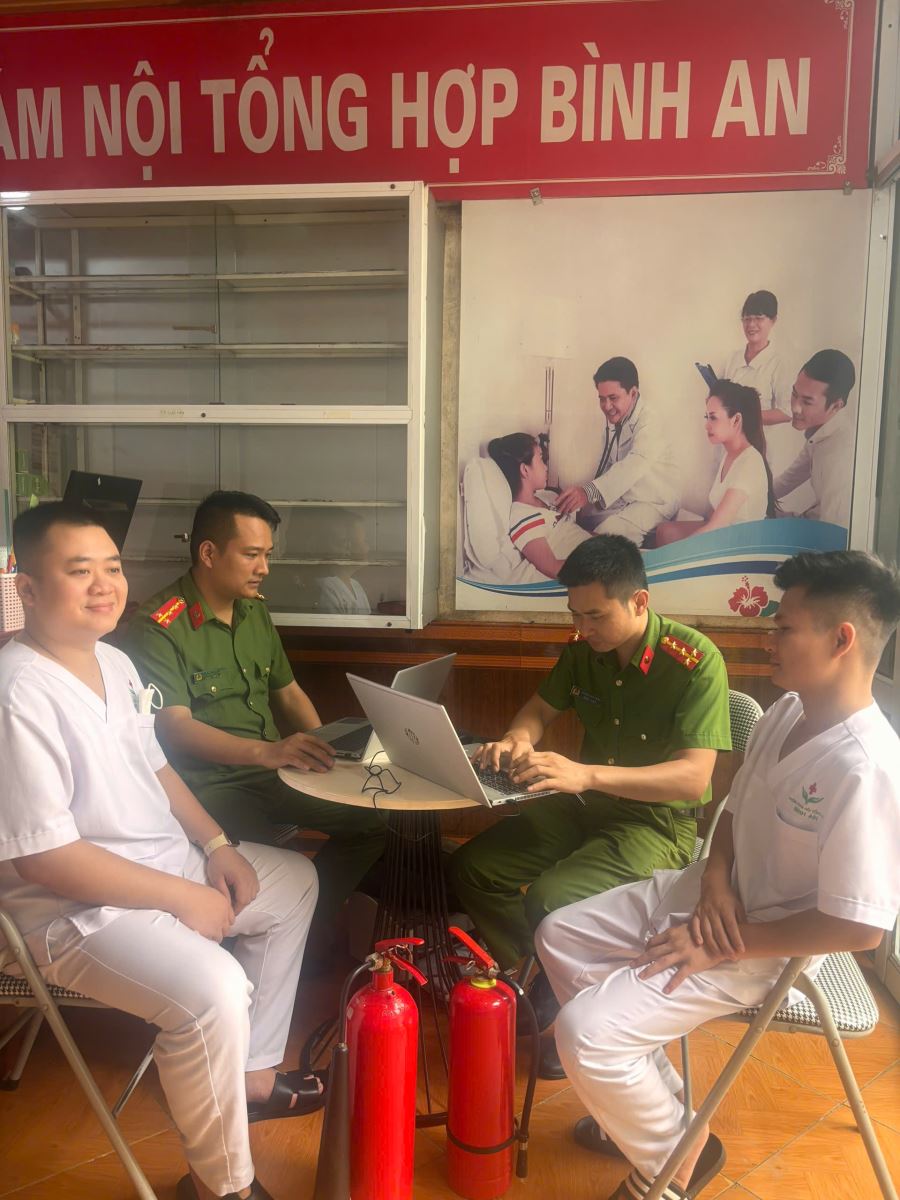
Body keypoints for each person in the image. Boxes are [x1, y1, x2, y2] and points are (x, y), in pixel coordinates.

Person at [536, 549, 900, 1200]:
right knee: (560, 934)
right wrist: (714, 880)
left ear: (841, 640)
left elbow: (858, 928)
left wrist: (722, 943)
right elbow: (732, 809)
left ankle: (676, 1163)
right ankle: (660, 1113)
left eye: (784, 627)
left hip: (762, 946)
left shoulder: (866, 768)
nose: (768, 640)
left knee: (585, 1034)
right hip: (710, 893)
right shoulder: (786, 712)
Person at [0, 503, 326, 1200]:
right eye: (78, 571)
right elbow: (45, 859)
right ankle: (221, 1186)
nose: (104, 585)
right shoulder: (17, 692)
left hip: (162, 865)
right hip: (74, 911)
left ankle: (253, 1074)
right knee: (214, 991)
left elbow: (155, 766)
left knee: (293, 881)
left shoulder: (115, 661)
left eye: (112, 567)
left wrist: (215, 845)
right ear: (27, 588)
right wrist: (184, 897)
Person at [449, 535, 731, 1076]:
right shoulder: (584, 651)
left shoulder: (694, 662)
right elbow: (537, 711)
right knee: (473, 868)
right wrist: (516, 739)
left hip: (655, 822)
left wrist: (587, 774)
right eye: (575, 614)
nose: (582, 629)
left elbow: (693, 776)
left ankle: (574, 1004)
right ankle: (542, 978)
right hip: (585, 803)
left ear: (639, 602)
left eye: (595, 616)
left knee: (552, 899)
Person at [125, 491, 386, 923]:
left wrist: (330, 756)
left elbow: (289, 693)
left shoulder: (253, 611)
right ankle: (295, 925)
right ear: (209, 553)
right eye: (251, 555)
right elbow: (174, 727)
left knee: (374, 821)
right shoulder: (160, 626)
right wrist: (268, 752)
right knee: (272, 868)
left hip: (272, 772)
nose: (264, 568)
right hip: (208, 786)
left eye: (267, 554)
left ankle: (309, 925)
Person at [555, 357, 681, 546]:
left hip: (654, 501)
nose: (607, 406)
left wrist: (588, 492)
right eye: (602, 399)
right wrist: (583, 497)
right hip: (627, 495)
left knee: (604, 537)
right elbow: (609, 465)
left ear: (633, 393)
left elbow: (634, 464)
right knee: (579, 519)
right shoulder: (618, 419)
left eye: (613, 398)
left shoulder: (652, 420)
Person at [655, 381, 774, 546]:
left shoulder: (750, 463)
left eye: (713, 417)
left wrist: (680, 550)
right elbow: (713, 515)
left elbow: (717, 526)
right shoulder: (729, 455)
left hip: (739, 546)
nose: (706, 425)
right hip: (723, 535)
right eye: (707, 417)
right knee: (664, 531)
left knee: (670, 542)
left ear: (736, 420)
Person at [488, 432, 589, 579]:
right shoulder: (521, 515)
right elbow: (553, 568)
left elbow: (575, 531)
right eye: (541, 459)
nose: (546, 467)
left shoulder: (548, 496)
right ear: (525, 470)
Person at [773, 349, 856, 528]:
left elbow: (833, 531)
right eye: (794, 394)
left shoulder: (842, 456)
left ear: (836, 406)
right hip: (809, 522)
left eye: (807, 402)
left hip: (823, 535)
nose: (795, 408)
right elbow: (789, 479)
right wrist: (748, 496)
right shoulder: (820, 433)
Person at [718, 290, 793, 429]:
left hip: (759, 439)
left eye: (759, 318)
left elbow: (787, 412)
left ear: (773, 320)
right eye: (747, 319)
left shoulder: (778, 363)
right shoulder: (732, 359)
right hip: (728, 438)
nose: (751, 325)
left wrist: (744, 415)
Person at [313, 509, 372, 616]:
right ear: (346, 546)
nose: (368, 548)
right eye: (364, 541)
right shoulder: (327, 589)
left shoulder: (356, 585)